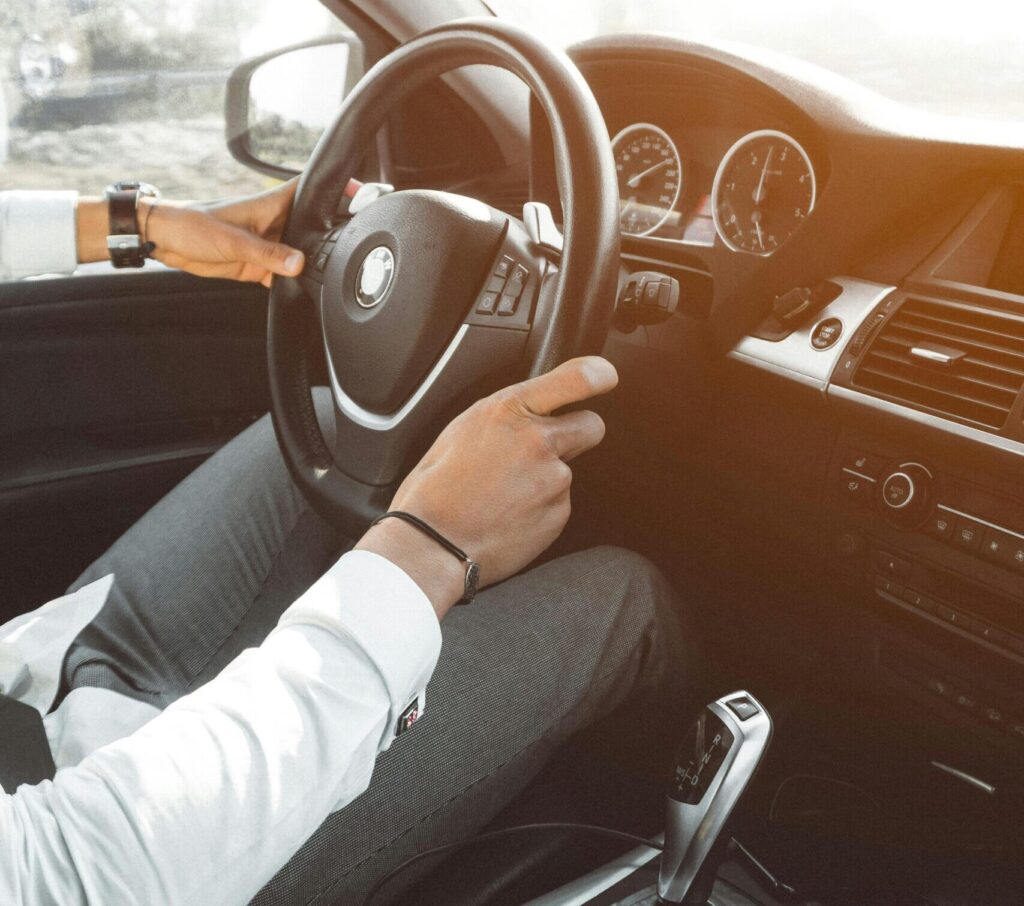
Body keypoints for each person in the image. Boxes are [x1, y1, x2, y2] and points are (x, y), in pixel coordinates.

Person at [0, 184, 684, 905]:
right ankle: (758, 811)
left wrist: (132, 225)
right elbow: (72, 877)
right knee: (621, 600)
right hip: (142, 856)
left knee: (329, 429)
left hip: (30, 677)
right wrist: (427, 545)